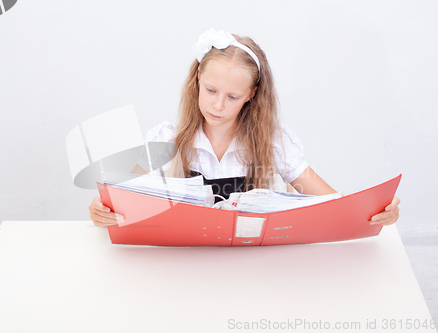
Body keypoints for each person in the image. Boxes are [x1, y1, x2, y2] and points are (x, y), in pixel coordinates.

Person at [89, 28, 400, 227]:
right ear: (197, 80)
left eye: (233, 96)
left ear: (251, 95)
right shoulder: (165, 140)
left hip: (255, 268)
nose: (217, 105)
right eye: (210, 90)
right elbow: (115, 195)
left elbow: (332, 204)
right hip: (186, 268)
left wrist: (377, 211)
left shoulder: (274, 143)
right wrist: (101, 208)